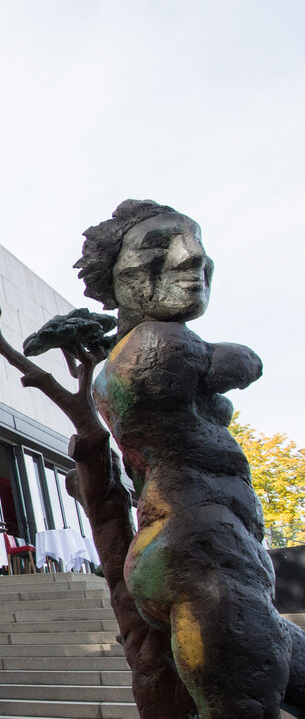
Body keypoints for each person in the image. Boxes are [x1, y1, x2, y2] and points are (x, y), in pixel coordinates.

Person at [78, 199, 305, 717]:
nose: (191, 259)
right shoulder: (161, 341)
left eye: (194, 243)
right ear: (117, 276)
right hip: (203, 545)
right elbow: (247, 363)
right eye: (158, 248)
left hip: (188, 539)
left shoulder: (114, 364)